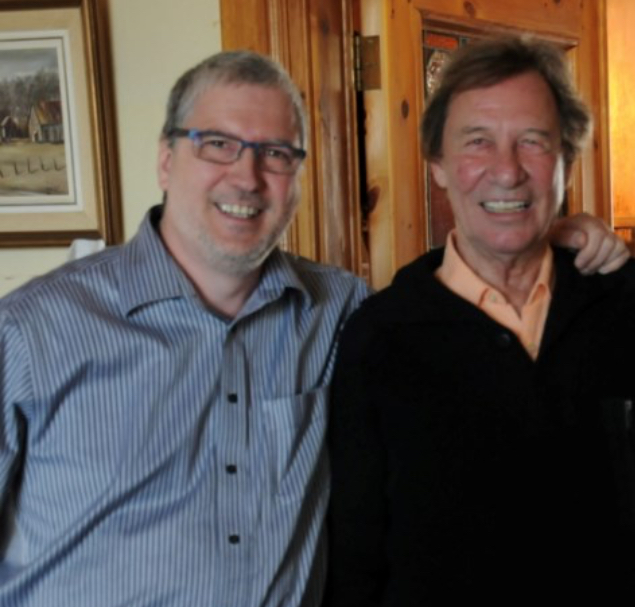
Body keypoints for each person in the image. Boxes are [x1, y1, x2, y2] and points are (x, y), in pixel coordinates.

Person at [0, 50, 626, 607]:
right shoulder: (33, 331)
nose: (246, 177)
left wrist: (571, 238)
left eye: (276, 153)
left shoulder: (340, 312)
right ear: (166, 158)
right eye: (217, 143)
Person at [326, 37, 635, 606]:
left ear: (566, 159)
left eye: (534, 142)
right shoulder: (380, 337)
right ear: (438, 166)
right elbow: (354, 557)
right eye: (477, 143)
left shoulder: (624, 305)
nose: (507, 171)